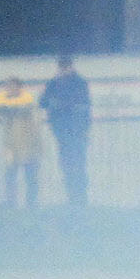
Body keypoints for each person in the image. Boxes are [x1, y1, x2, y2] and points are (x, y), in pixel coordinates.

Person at [43, 51, 93, 206]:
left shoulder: (80, 83)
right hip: (61, 131)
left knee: (78, 163)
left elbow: (84, 105)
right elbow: (42, 101)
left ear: (71, 67)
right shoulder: (53, 83)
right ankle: (71, 197)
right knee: (66, 164)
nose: (63, 70)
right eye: (61, 68)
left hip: (77, 130)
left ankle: (81, 198)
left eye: (65, 67)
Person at [0, 80, 49, 207]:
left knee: (30, 177)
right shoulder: (5, 106)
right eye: (8, 88)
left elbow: (35, 127)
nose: (10, 90)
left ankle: (31, 203)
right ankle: (11, 202)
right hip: (12, 147)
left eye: (12, 87)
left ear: (19, 88)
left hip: (28, 146)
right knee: (10, 177)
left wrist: (37, 147)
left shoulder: (28, 104)